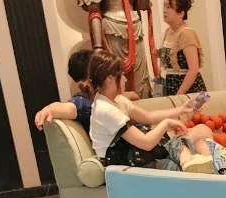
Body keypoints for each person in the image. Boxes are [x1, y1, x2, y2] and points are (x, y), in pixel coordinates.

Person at [82, 50, 216, 173]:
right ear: (109, 78)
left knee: (201, 130)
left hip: (139, 156)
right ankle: (199, 166)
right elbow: (146, 143)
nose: (125, 79)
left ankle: (203, 163)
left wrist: (181, 110)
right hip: (127, 167)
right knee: (179, 150)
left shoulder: (117, 100)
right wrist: (166, 123)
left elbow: (148, 117)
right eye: (121, 75)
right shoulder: (105, 109)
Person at [34, 48, 139, 133]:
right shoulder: (84, 101)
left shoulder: (103, 95)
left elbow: (132, 95)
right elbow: (68, 107)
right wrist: (47, 110)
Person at [158, 0, 207, 96]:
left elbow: (194, 70)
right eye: (164, 6)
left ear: (181, 13)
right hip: (173, 86)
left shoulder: (187, 34)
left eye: (169, 7)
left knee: (199, 105)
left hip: (192, 90)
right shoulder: (168, 31)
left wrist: (179, 95)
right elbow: (174, 56)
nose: (164, 10)